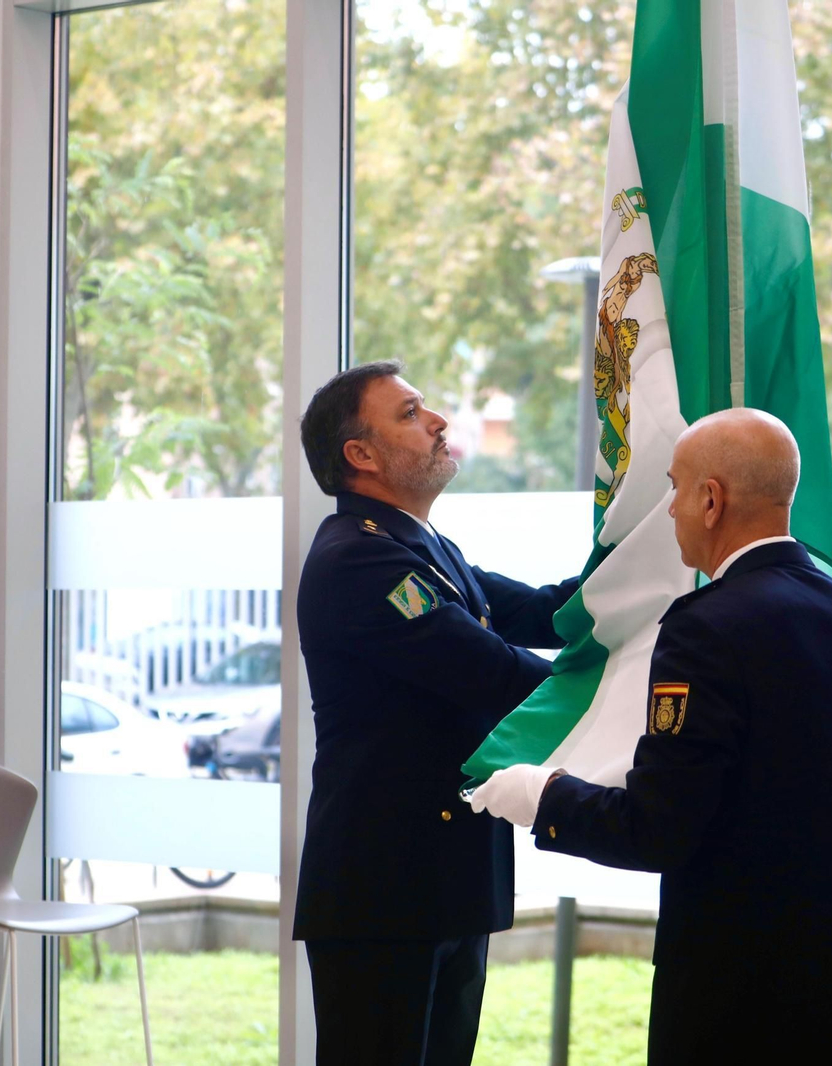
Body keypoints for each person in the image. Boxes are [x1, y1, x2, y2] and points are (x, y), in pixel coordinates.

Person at [471, 408, 832, 1065]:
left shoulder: (705, 628)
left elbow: (660, 828)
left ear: (712, 500)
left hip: (738, 988)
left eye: (674, 488)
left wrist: (547, 796)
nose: (670, 508)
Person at [293, 361, 579, 1065]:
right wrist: (619, 708)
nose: (439, 421)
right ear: (361, 455)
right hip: (383, 889)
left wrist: (646, 558)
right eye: (411, 413)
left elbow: (545, 609)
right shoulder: (359, 562)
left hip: (446, 879)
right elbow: (493, 674)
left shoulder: (426, 549)